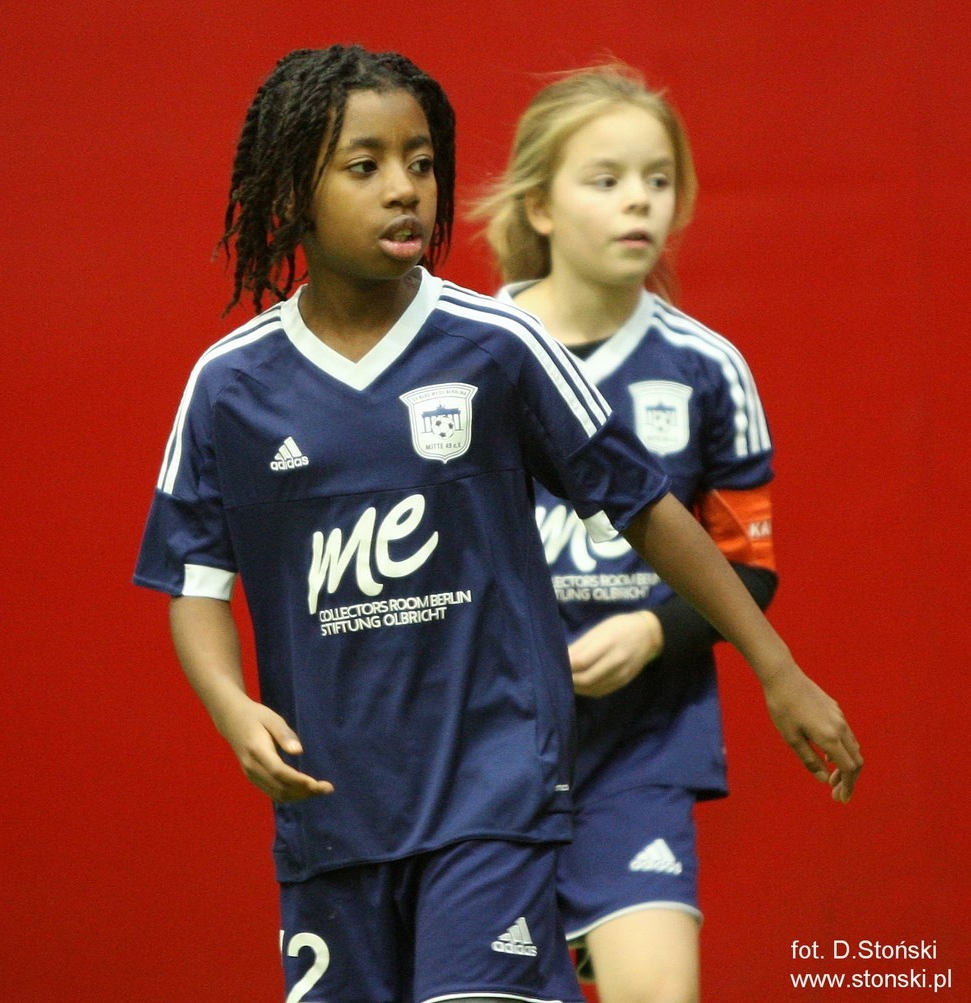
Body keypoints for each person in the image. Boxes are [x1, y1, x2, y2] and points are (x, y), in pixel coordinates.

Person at [134, 45, 861, 1003]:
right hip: (333, 814)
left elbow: (644, 507)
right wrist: (232, 707)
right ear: (294, 192)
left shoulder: (497, 345)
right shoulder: (230, 385)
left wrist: (777, 667)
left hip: (495, 788)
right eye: (366, 166)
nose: (405, 189)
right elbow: (195, 581)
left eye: (422, 163)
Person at [473, 64, 861, 1003]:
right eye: (605, 179)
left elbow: (747, 567)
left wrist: (651, 630)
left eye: (658, 179)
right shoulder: (466, 351)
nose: (638, 200)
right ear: (540, 205)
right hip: (478, 752)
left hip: (638, 753)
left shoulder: (705, 367)